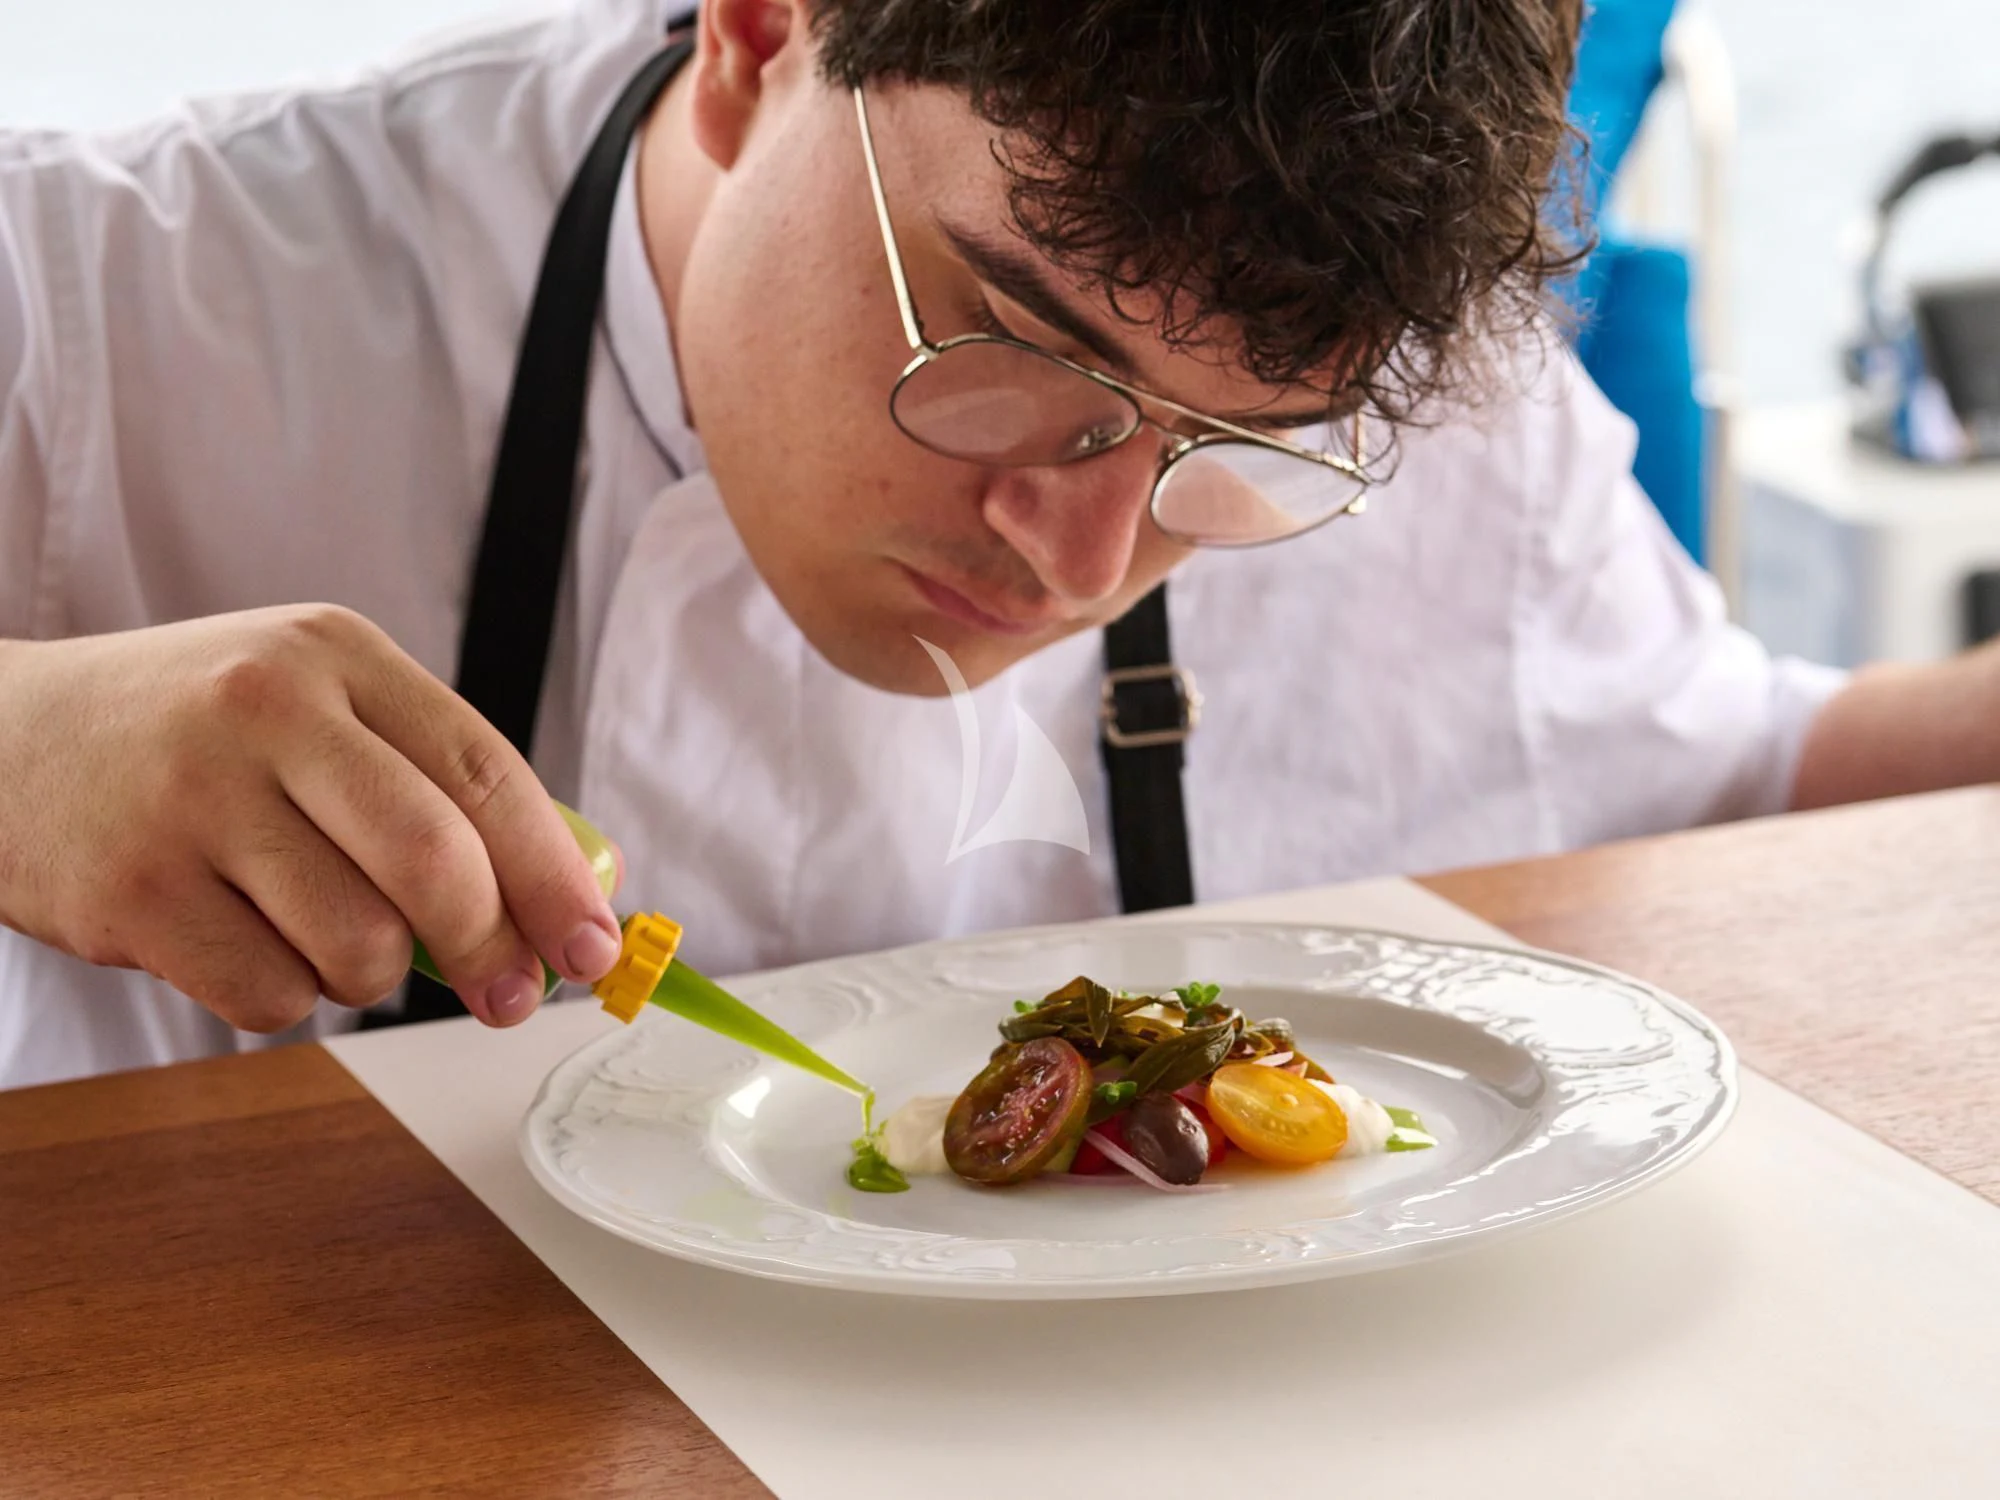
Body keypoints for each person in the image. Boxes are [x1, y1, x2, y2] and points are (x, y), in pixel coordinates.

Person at [0, 0, 1983, 1091]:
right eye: (1018, 350)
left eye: (1234, 443)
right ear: (758, 39)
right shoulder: (96, 303)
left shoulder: (1412, 403)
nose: (1085, 556)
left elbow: (1731, 784)